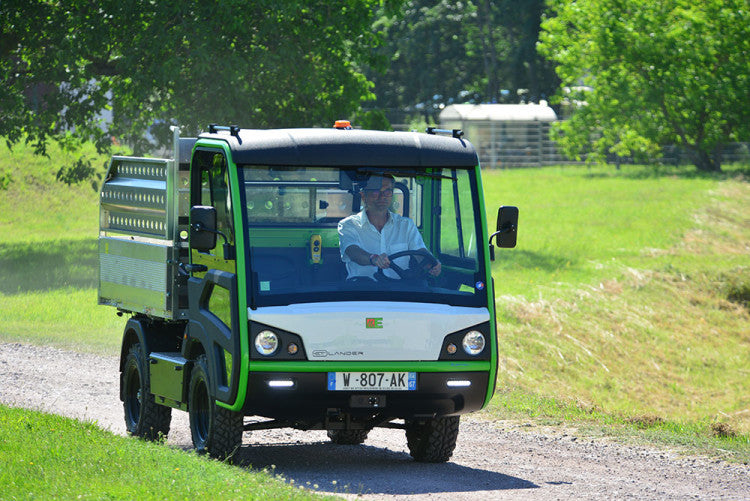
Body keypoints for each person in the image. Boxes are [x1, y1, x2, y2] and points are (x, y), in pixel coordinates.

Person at [338, 174, 441, 281]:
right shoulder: (349, 225)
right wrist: (373, 259)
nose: (382, 196)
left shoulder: (406, 225)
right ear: (363, 196)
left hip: (399, 290)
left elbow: (420, 251)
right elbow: (353, 251)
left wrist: (431, 264)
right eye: (376, 191)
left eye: (387, 191)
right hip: (362, 290)